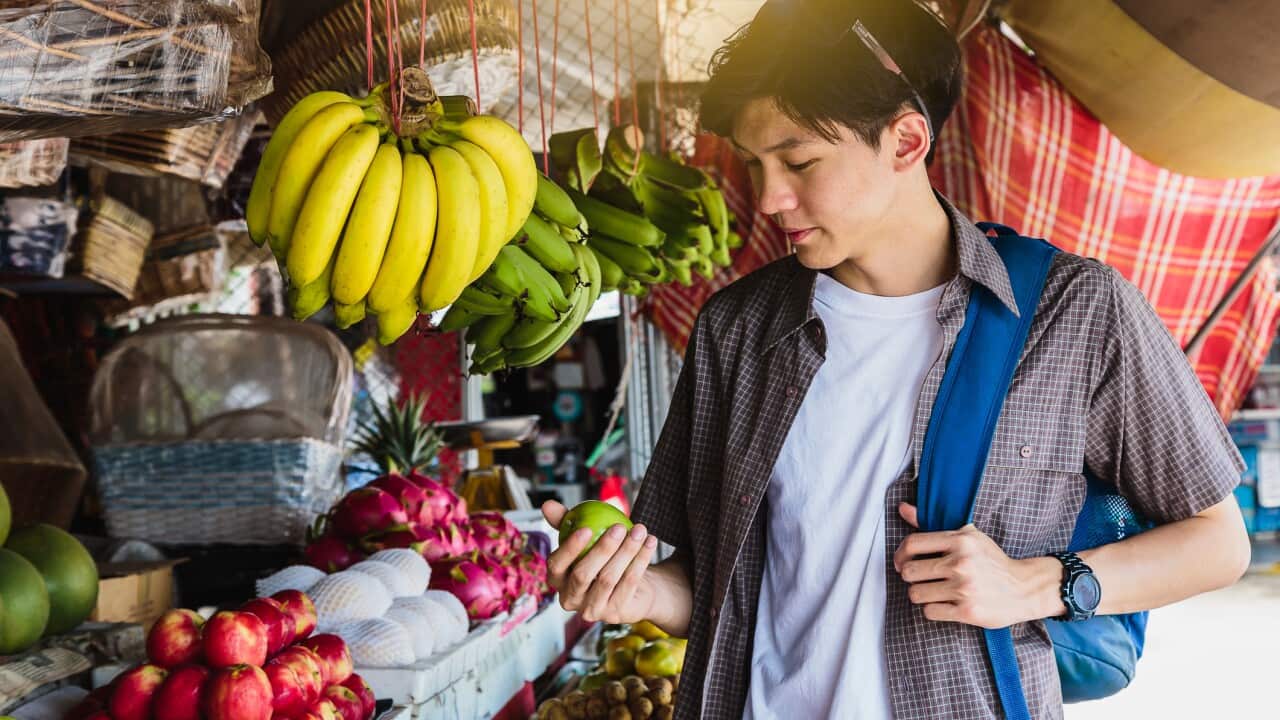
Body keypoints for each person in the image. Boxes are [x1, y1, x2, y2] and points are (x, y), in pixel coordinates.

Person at [539, 1, 1253, 717]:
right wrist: (640, 594)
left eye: (799, 160)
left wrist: (1034, 586)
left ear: (907, 141)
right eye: (755, 164)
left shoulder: (1072, 313)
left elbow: (1218, 542)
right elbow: (718, 585)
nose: (769, 198)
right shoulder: (738, 330)